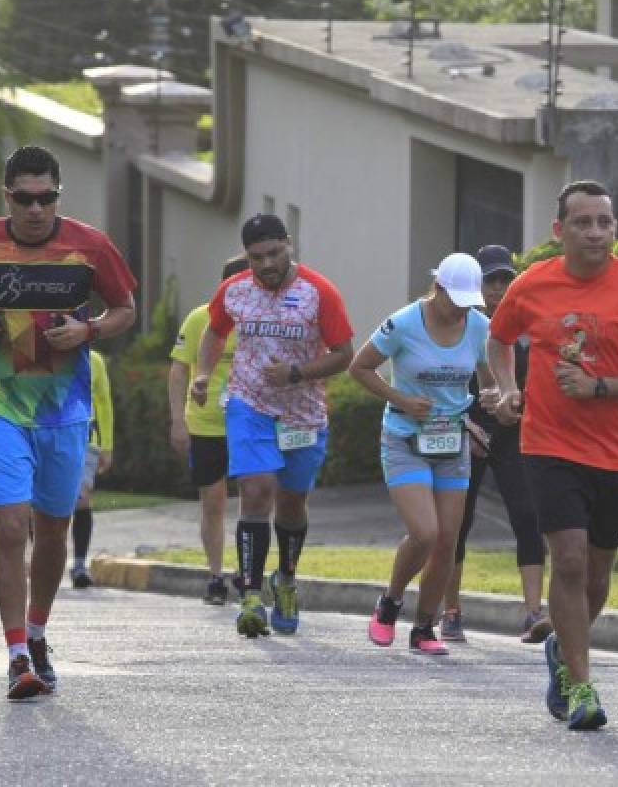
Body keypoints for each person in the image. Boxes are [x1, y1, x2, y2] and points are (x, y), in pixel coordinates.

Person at [0, 145, 137, 700]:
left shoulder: (90, 246)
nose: (35, 208)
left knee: (53, 530)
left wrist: (89, 331)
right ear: (8, 197)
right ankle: (16, 653)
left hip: (64, 411)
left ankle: (40, 632)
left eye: (46, 198)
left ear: (57, 196)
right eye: (24, 198)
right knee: (11, 526)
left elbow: (125, 310)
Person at [487, 180, 618, 730]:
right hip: (548, 444)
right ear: (559, 230)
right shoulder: (533, 284)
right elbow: (499, 339)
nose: (596, 232)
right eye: (583, 222)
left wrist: (599, 387)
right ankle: (581, 682)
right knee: (566, 561)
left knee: (595, 578)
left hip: (617, 452)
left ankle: (563, 650)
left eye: (605, 222)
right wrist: (506, 387)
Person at [191, 214, 353, 638]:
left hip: (302, 414)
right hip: (250, 405)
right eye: (256, 257)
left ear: (289, 245)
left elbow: (343, 354)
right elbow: (214, 332)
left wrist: (298, 373)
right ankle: (248, 595)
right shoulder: (235, 290)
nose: (266, 264)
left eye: (274, 253)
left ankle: (285, 579)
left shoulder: (319, 292)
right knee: (257, 489)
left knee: (292, 503)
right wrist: (203, 375)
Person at [351, 253, 492, 655]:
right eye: (456, 299)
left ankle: (424, 627)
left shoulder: (480, 327)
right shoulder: (404, 322)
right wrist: (402, 399)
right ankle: (390, 601)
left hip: (452, 441)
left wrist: (492, 402)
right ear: (439, 288)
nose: (462, 309)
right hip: (404, 438)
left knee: (448, 539)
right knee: (425, 532)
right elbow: (360, 368)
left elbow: (487, 380)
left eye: (470, 302)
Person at [439, 245, 550, 645]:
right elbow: (444, 385)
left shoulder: (529, 327)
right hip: (467, 433)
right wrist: (467, 426)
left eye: (507, 280)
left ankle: (534, 611)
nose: (499, 289)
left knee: (528, 516)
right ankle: (450, 611)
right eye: (491, 281)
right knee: (457, 523)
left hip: (515, 434)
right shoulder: (464, 326)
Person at [170, 255, 249, 605]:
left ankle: (249, 571)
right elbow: (178, 369)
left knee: (255, 499)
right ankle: (215, 576)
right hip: (206, 424)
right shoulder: (201, 317)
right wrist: (177, 420)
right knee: (213, 503)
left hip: (250, 421)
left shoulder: (260, 320)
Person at [67, 349, 113, 588]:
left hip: (86, 439)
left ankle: (79, 563)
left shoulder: (94, 360)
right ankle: (39, 557)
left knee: (82, 499)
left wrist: (107, 445)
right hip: (51, 436)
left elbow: (104, 402)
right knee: (40, 502)